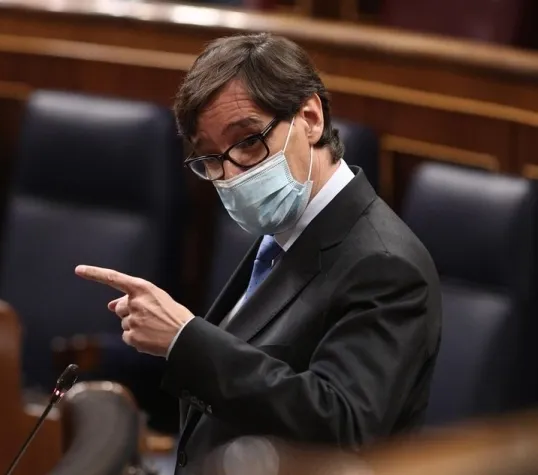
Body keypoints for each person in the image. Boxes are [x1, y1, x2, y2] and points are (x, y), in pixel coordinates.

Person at [75, 33, 442, 473]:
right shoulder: (282, 236)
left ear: (310, 118)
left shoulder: (385, 263)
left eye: (248, 141)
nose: (231, 175)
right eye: (211, 159)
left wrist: (184, 339)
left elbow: (342, 426)